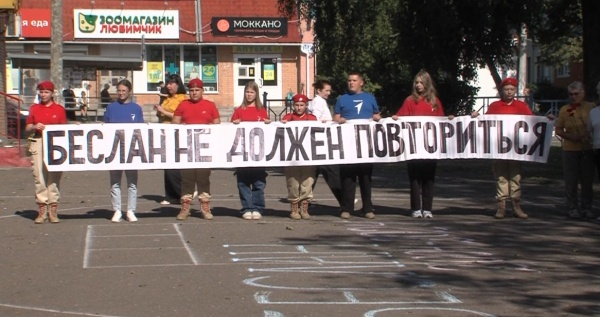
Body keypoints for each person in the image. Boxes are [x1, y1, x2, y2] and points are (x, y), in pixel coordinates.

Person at [471, 77, 532, 219]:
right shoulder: (494, 106)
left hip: (516, 148)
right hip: (498, 148)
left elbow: (532, 121)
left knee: (516, 176)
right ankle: (501, 206)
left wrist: (546, 120)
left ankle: (516, 205)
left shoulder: (521, 106)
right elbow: (485, 123)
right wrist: (476, 116)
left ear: (515, 91)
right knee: (501, 177)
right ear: (502, 90)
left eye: (512, 90)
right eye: (506, 89)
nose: (509, 92)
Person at [392, 71, 450, 219]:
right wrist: (395, 118)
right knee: (415, 179)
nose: (418, 85)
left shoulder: (435, 101)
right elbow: (401, 117)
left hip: (430, 147)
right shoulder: (409, 101)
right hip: (413, 148)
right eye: (416, 82)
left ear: (427, 83)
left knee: (429, 179)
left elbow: (442, 121)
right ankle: (416, 208)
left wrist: (449, 119)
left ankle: (428, 208)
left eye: (421, 82)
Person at [333, 72, 381, 219]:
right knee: (348, 177)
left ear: (361, 82)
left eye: (354, 80)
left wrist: (376, 118)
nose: (351, 83)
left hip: (366, 146)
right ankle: (347, 208)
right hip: (347, 145)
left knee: (365, 177)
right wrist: (339, 120)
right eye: (349, 80)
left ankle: (367, 208)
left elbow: (377, 115)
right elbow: (335, 117)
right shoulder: (342, 99)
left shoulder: (370, 98)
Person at [172, 79, 221, 220]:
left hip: (204, 150)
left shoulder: (210, 106)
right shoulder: (183, 105)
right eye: (192, 90)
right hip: (187, 149)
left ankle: (205, 207)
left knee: (203, 178)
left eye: (197, 90)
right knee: (187, 179)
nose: (194, 93)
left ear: (202, 91)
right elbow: (175, 122)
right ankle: (185, 207)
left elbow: (217, 125)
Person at [25, 81, 67, 224]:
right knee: (39, 175)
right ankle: (42, 208)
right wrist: (34, 126)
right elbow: (27, 127)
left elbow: (64, 129)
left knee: (54, 175)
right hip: (38, 141)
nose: (43, 95)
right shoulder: (34, 108)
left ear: (52, 93)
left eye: (46, 92)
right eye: (41, 92)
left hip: (55, 144)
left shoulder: (59, 109)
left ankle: (53, 209)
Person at [104, 79, 145, 223]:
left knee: (132, 182)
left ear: (129, 91)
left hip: (131, 150)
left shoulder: (136, 108)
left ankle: (130, 210)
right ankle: (116, 209)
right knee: (115, 181)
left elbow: (140, 129)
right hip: (115, 150)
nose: (121, 93)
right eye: (119, 91)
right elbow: (105, 126)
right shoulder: (111, 107)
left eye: (124, 91)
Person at [554, 81, 595, 219]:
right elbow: (558, 129)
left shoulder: (591, 107)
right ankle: (572, 207)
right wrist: (570, 136)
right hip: (570, 149)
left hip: (587, 148)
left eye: (576, 94)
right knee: (571, 180)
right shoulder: (564, 109)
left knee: (587, 179)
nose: (573, 97)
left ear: (583, 93)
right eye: (571, 94)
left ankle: (587, 207)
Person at [231, 81, 271, 220]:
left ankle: (258, 207)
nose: (249, 95)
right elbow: (230, 132)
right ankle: (246, 208)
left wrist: (267, 123)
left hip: (258, 153)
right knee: (243, 182)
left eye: (252, 92)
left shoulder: (261, 110)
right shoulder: (239, 110)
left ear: (256, 94)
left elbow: (268, 131)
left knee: (258, 182)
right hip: (243, 153)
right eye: (247, 92)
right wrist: (235, 123)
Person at [281, 94, 318, 220]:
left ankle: (305, 207)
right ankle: (294, 208)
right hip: (292, 157)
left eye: (302, 105)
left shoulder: (312, 119)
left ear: (306, 106)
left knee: (307, 182)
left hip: (308, 156)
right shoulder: (287, 118)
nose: (299, 107)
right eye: (297, 105)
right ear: (293, 105)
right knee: (293, 183)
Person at [154, 74, 187, 205]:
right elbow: (162, 114)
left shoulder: (182, 99)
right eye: (168, 84)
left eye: (171, 83)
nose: (168, 86)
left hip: (176, 133)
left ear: (178, 85)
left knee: (174, 165)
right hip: (165, 133)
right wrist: (158, 110)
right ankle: (171, 195)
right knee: (167, 165)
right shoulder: (167, 99)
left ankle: (183, 192)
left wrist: (163, 110)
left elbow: (179, 116)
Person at [309, 79, 343, 207]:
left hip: (321, 139)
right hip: (321, 140)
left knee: (315, 173)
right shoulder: (318, 102)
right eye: (326, 90)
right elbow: (315, 117)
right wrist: (324, 121)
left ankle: (305, 200)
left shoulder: (320, 101)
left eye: (329, 90)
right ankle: (343, 200)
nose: (329, 93)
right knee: (330, 172)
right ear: (319, 90)